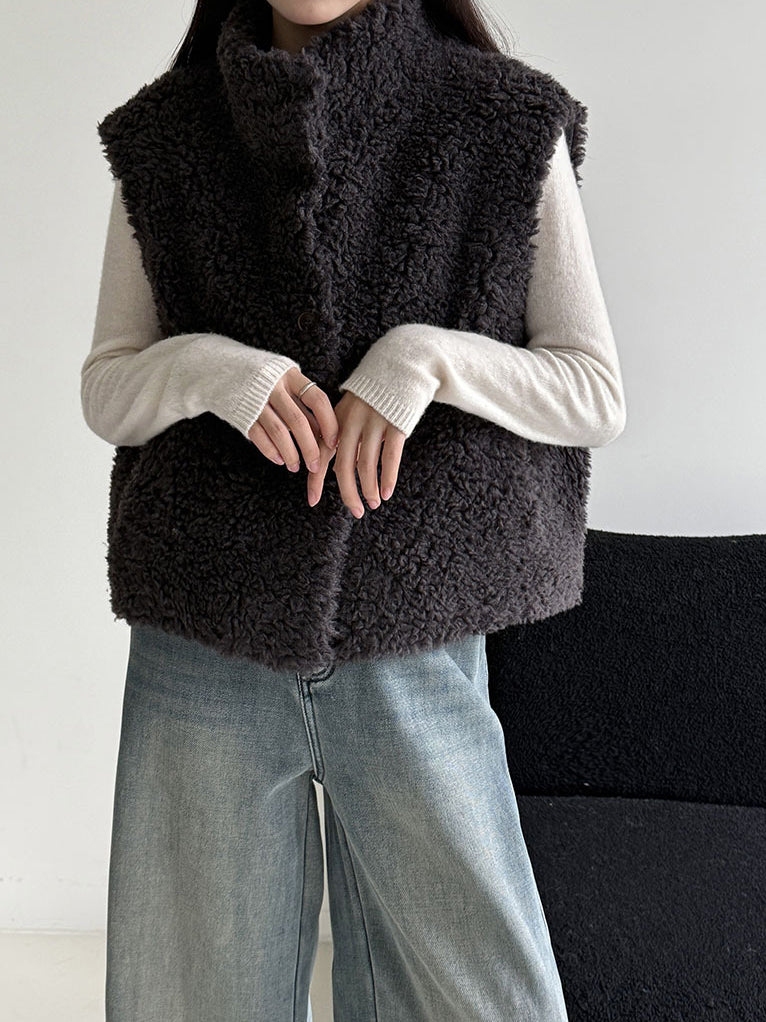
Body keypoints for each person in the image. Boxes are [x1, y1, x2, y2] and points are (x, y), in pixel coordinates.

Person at [82, 0, 626, 1019]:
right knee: (183, 997)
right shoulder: (164, 135)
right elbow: (108, 388)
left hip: (413, 643)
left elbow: (593, 391)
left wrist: (426, 358)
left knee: (484, 999)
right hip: (205, 635)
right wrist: (212, 370)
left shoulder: (507, 121)